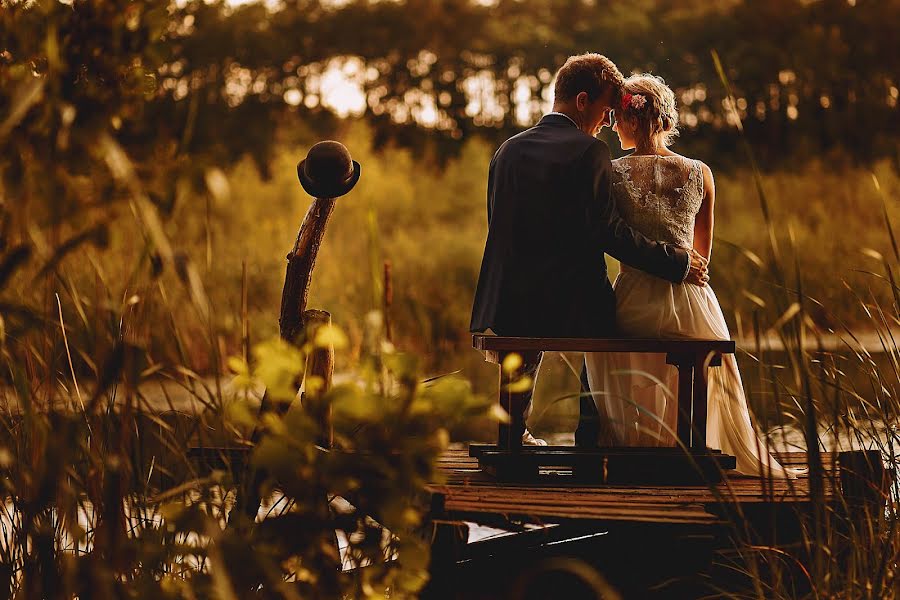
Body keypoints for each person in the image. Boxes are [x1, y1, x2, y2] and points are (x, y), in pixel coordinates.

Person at [470, 54, 709, 446]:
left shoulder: (507, 151)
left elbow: (500, 227)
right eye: (604, 110)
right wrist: (677, 263)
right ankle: (591, 438)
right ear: (582, 102)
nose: (606, 123)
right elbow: (609, 233)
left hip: (508, 303)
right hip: (573, 303)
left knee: (537, 323)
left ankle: (515, 434)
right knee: (607, 318)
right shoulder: (589, 152)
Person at [584, 73, 801, 477]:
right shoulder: (699, 172)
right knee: (702, 372)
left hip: (633, 300)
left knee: (632, 376)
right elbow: (703, 253)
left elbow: (606, 236)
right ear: (664, 120)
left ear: (630, 120)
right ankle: (692, 454)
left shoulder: (611, 174)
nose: (613, 126)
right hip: (691, 299)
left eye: (616, 117)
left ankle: (640, 459)